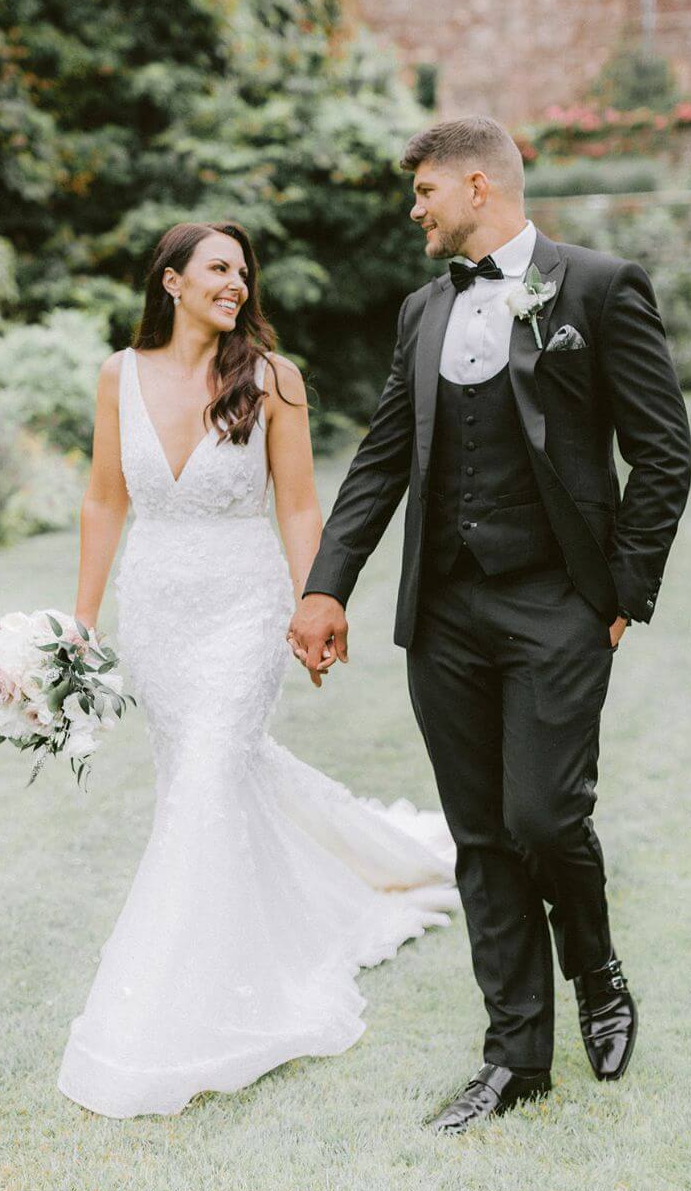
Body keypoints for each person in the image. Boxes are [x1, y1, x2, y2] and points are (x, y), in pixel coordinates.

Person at [288, 116, 691, 1133]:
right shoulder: (421, 310)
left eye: (424, 191)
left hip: (557, 600)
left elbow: (662, 450)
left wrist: (620, 593)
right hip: (446, 611)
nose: (414, 210)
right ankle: (515, 1059)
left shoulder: (597, 288)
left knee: (543, 817)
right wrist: (325, 585)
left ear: (477, 184)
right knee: (479, 838)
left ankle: (593, 964)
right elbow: (385, 457)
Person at [57, 220, 459, 1119]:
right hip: (156, 610)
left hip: (243, 610)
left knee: (208, 774)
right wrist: (82, 622)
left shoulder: (274, 379)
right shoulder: (118, 376)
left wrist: (319, 600)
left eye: (243, 271)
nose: (236, 283)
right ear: (170, 281)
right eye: (217, 268)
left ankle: (169, 1009)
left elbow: (302, 506)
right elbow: (101, 499)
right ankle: (325, 888)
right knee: (204, 784)